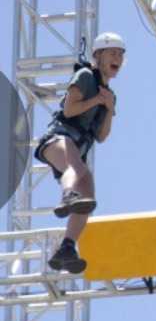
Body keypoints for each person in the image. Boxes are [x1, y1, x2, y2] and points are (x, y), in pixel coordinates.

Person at [34, 32, 125, 273]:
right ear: (98, 56)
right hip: (59, 138)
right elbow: (70, 109)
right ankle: (67, 196)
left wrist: (109, 107)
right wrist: (96, 100)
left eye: (121, 54)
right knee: (75, 169)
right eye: (113, 53)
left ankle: (67, 247)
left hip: (78, 146)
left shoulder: (109, 94)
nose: (118, 58)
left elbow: (102, 136)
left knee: (88, 194)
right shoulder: (85, 77)